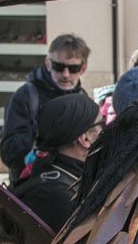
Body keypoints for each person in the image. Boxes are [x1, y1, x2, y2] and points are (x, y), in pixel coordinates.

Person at [0, 33, 89, 184]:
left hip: (71, 184)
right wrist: (40, 134)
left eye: (73, 68)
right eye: (59, 67)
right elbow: (9, 153)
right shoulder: (27, 95)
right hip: (34, 187)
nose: (66, 75)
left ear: (83, 68)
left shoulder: (82, 97)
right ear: (48, 64)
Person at [10, 91, 101, 233]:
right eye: (102, 124)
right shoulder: (56, 195)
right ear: (85, 139)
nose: (105, 131)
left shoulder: (62, 174)